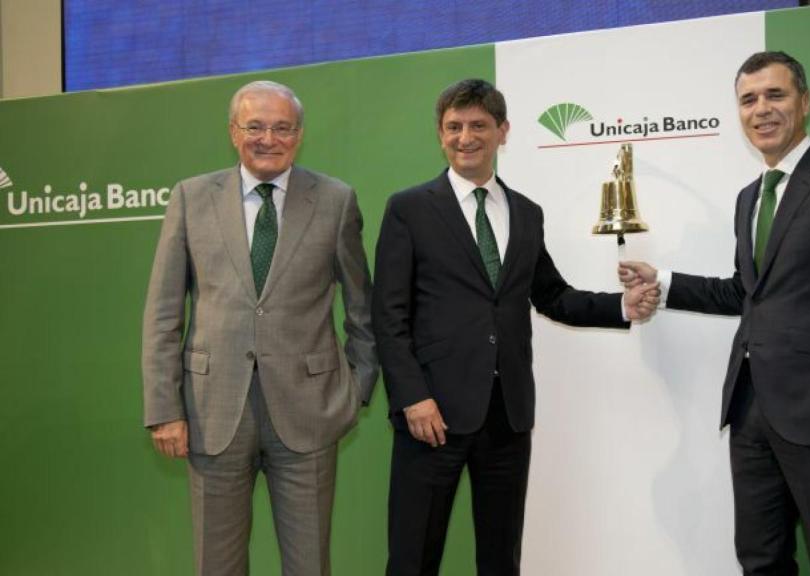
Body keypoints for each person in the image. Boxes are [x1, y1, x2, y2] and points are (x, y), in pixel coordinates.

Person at [619, 51, 810, 575]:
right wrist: (662, 281)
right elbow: (745, 293)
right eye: (748, 100)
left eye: (775, 95)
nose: (761, 110)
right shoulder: (749, 197)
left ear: (805, 102)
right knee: (760, 558)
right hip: (751, 412)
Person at [373, 78, 659, 576]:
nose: (466, 137)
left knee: (501, 557)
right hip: (432, 416)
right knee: (413, 556)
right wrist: (412, 397)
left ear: (503, 131)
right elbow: (388, 315)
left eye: (479, 125)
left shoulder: (526, 213)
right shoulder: (409, 209)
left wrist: (622, 307)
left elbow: (552, 295)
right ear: (440, 135)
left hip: (508, 416)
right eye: (454, 127)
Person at [141, 80, 378, 576]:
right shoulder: (190, 198)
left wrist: (353, 393)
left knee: (309, 564)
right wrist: (164, 408)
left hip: (310, 413)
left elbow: (363, 310)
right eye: (255, 126)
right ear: (233, 132)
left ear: (298, 134)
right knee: (217, 565)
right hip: (212, 414)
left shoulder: (335, 200)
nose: (268, 138)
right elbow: (164, 313)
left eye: (282, 127)